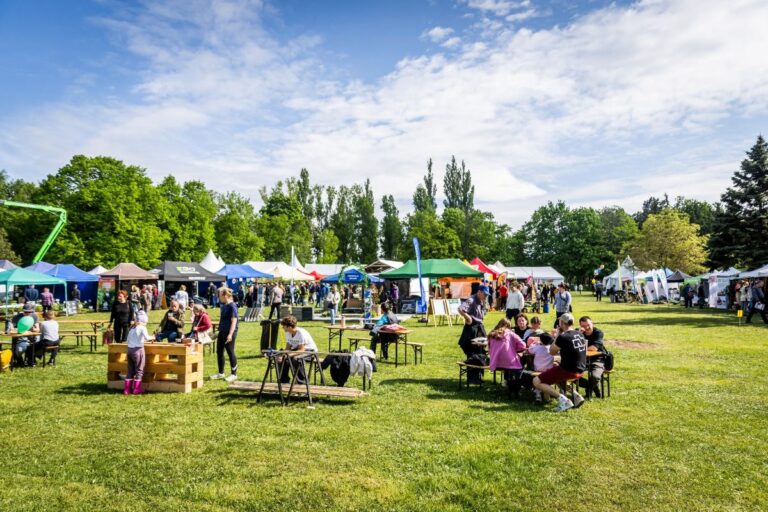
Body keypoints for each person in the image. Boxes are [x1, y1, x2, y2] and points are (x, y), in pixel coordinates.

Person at [532, 313, 587, 412]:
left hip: (568, 370)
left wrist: (558, 334)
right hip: (581, 369)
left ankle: (564, 400)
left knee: (536, 381)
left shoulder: (563, 337)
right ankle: (576, 396)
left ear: (561, 323)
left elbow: (552, 352)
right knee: (557, 376)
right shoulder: (580, 334)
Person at [487, 318, 527, 399]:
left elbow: (489, 347)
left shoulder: (491, 333)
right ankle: (515, 391)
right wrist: (515, 349)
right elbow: (523, 345)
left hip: (495, 362)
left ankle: (509, 389)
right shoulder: (510, 333)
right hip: (508, 362)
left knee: (509, 369)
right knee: (519, 369)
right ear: (509, 326)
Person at [457, 285, 489, 384]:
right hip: (472, 329)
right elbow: (460, 309)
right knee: (472, 352)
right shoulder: (471, 300)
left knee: (481, 352)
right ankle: (472, 378)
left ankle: (478, 377)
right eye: (484, 294)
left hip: (479, 327)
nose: (486, 296)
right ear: (479, 292)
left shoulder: (481, 300)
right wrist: (468, 317)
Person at [278, 315, 318, 384]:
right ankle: (284, 381)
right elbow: (288, 348)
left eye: (283, 326)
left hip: (310, 351)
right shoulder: (288, 333)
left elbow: (302, 350)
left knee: (296, 359)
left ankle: (302, 382)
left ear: (289, 327)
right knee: (282, 359)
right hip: (298, 349)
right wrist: (282, 355)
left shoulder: (301, 333)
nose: (282, 327)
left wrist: (288, 355)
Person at [211, 288, 239, 382]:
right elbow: (222, 320)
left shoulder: (232, 306)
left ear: (225, 295)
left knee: (230, 352)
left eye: (219, 296)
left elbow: (234, 321)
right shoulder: (224, 306)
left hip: (229, 332)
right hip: (222, 332)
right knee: (219, 352)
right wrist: (218, 332)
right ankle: (221, 373)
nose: (218, 298)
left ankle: (234, 374)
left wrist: (230, 334)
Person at [125, 310, 154, 395]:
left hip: (129, 350)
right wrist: (153, 337)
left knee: (130, 370)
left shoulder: (132, 328)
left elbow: (128, 340)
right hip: (138, 350)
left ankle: (127, 390)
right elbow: (147, 337)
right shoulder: (142, 327)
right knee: (139, 370)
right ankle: (136, 389)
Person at [579, 316, 607, 397]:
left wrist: (580, 348)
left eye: (588, 325)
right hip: (582, 359)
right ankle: (594, 388)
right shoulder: (579, 333)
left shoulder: (598, 333)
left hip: (597, 359)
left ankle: (589, 389)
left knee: (595, 377)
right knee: (570, 373)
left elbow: (594, 348)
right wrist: (579, 334)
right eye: (583, 326)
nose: (586, 327)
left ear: (592, 323)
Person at [6, 302, 40, 367]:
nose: (27, 313)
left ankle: (31, 359)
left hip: (31, 337)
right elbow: (11, 329)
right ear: (23, 311)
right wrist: (16, 329)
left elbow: (37, 329)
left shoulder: (34, 316)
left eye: (29, 312)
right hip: (19, 337)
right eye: (26, 312)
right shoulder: (17, 317)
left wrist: (33, 329)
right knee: (20, 348)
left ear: (32, 312)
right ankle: (19, 359)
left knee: (38, 343)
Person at [525, 332, 556, 403]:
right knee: (543, 380)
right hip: (549, 370)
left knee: (536, 377)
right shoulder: (551, 348)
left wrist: (534, 343)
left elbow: (530, 350)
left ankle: (538, 395)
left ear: (541, 340)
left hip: (538, 369)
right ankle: (546, 397)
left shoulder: (537, 347)